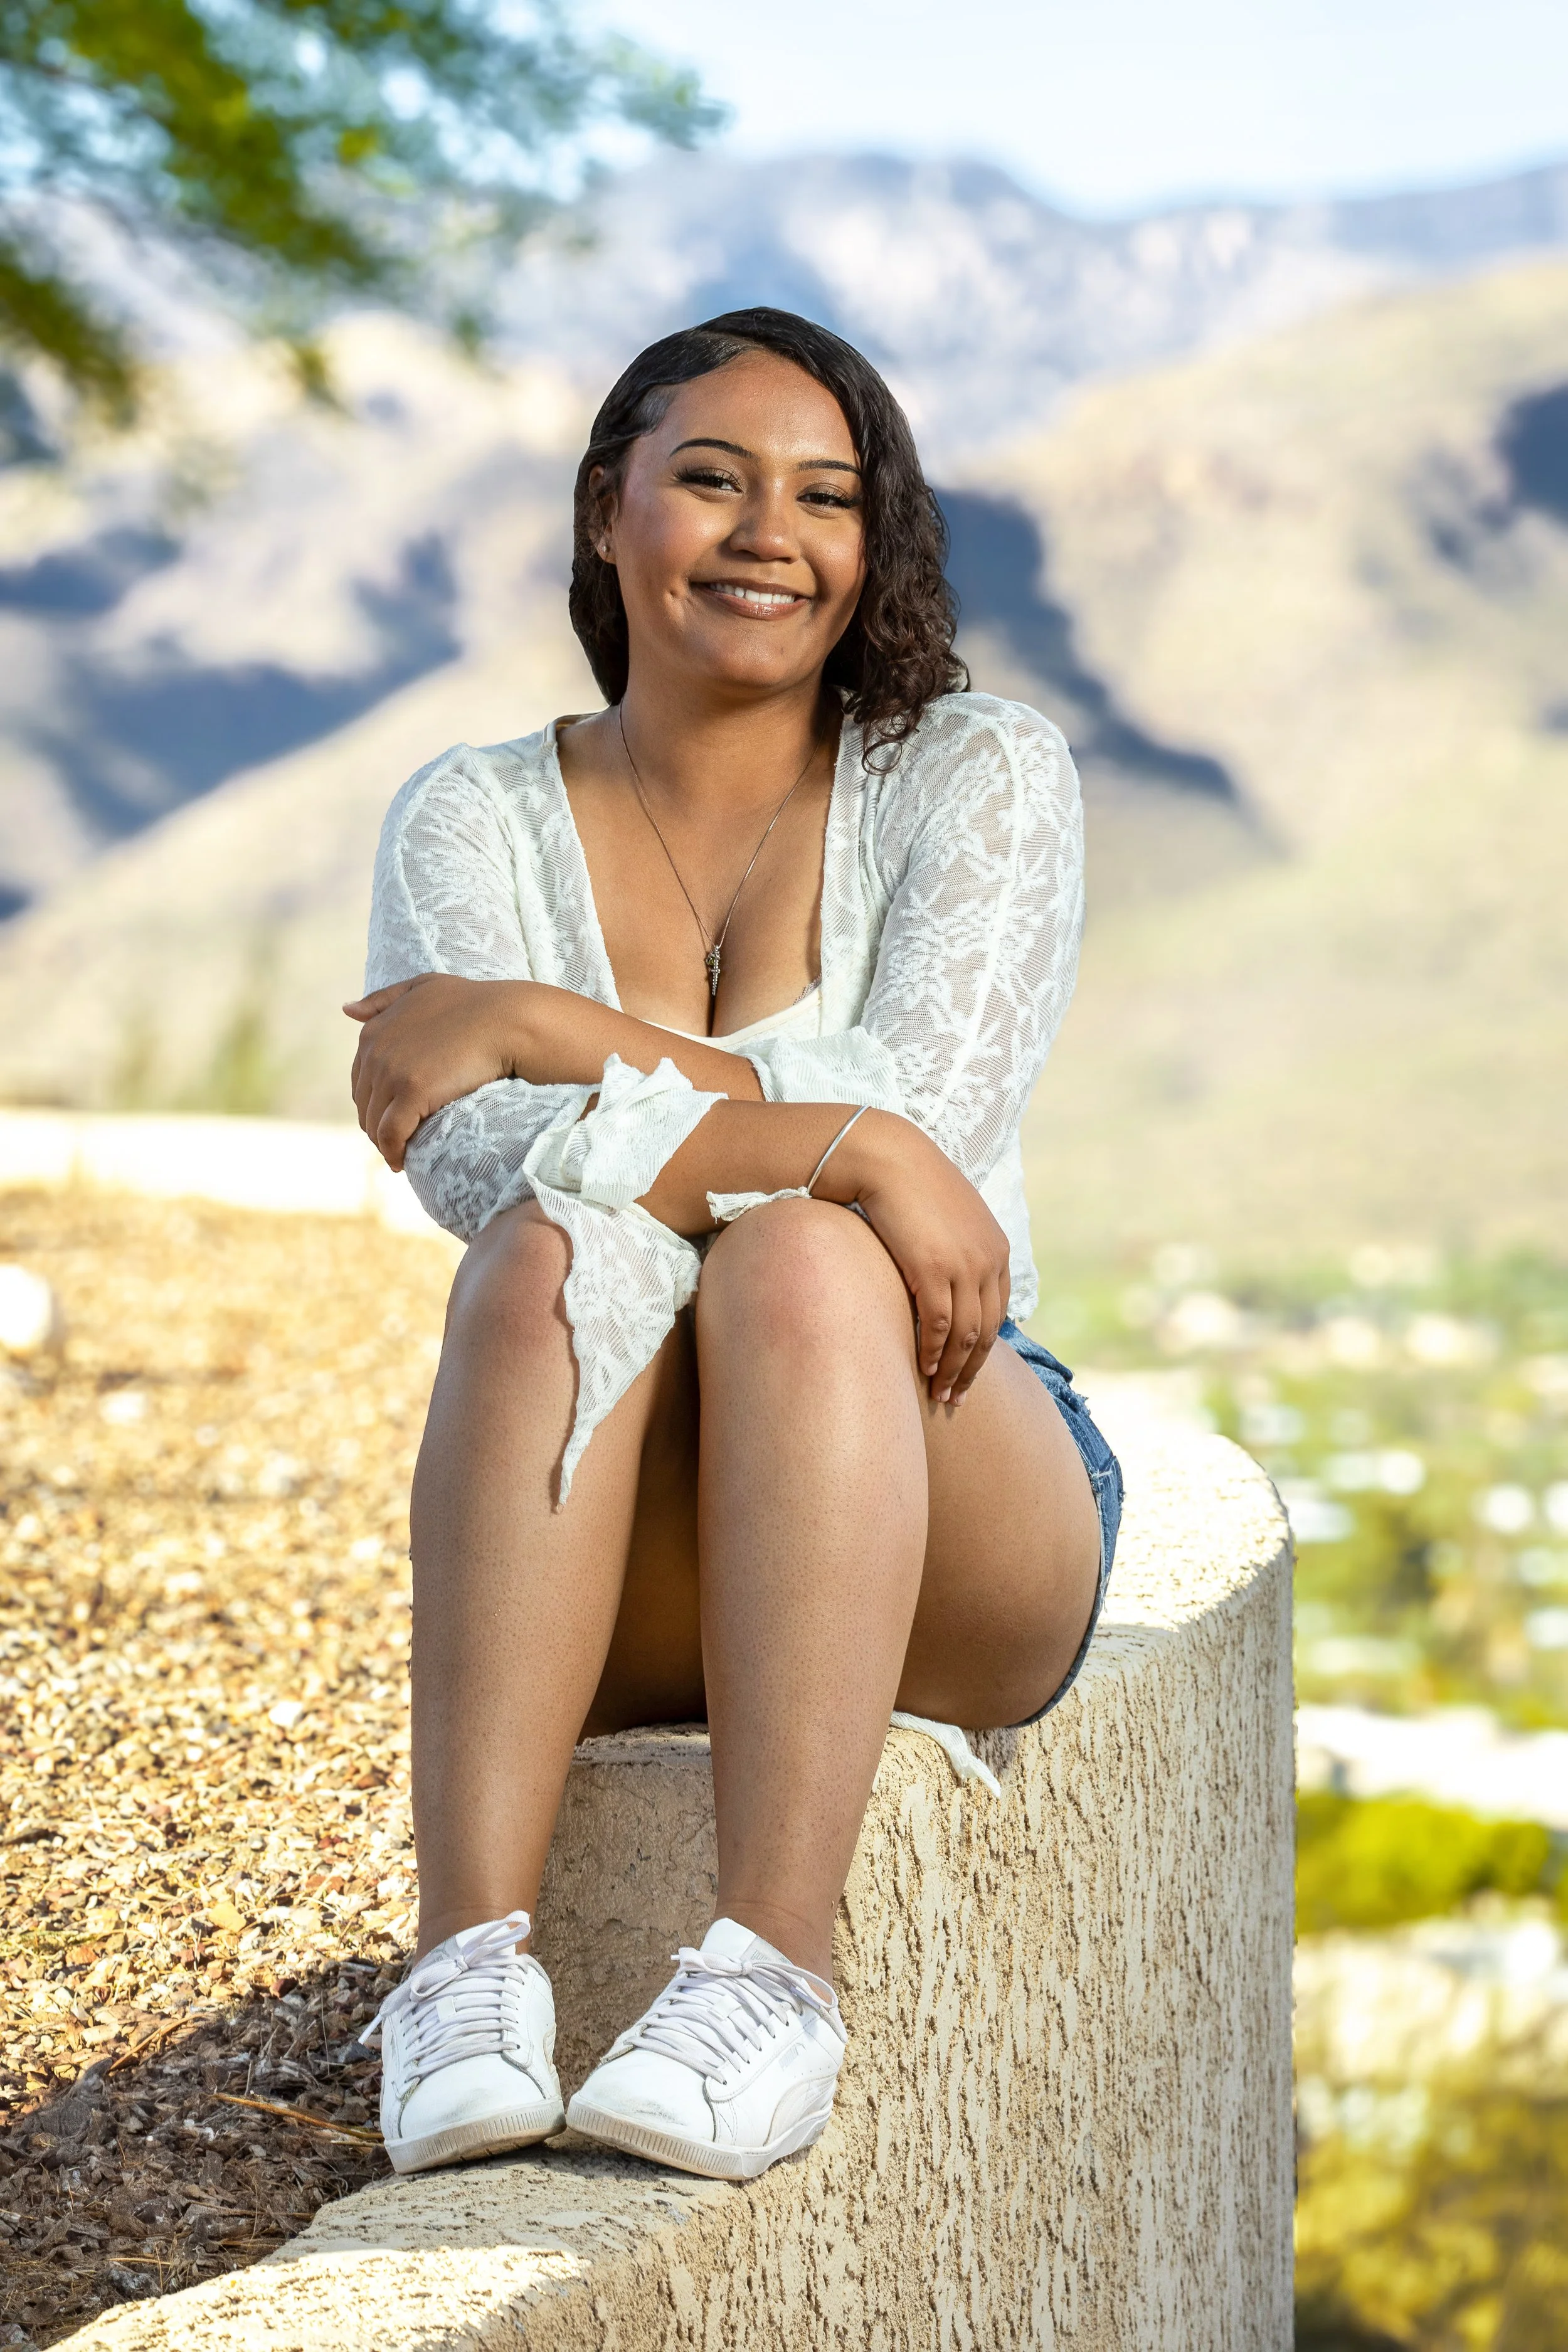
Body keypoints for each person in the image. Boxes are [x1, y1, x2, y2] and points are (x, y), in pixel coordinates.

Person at [346, 307, 1123, 2184]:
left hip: (941, 1479)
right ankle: (462, 1975)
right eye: (710, 476)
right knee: (538, 1256)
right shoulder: (469, 816)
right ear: (610, 509)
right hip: (616, 1525)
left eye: (827, 495)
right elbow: (476, 1166)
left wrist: (541, 1021)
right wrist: (830, 1134)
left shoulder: (976, 775)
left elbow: (903, 1148)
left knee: (797, 1262)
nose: (769, 530)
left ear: (874, 548)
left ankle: (773, 1976)